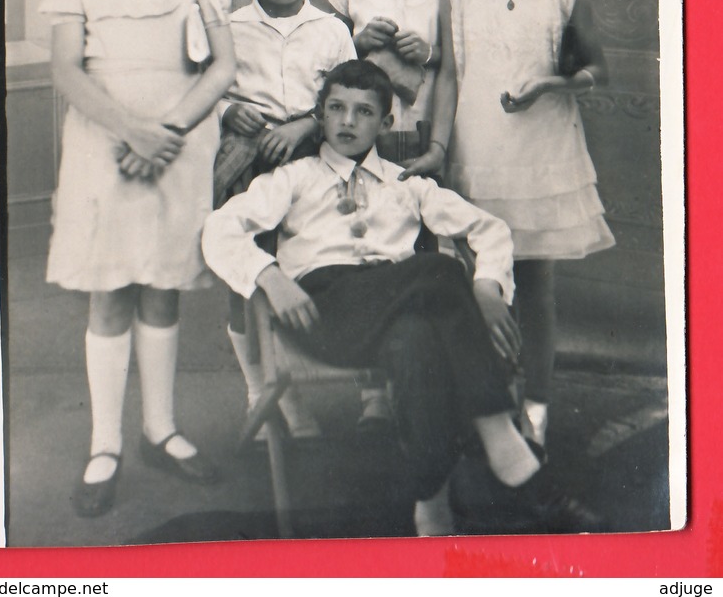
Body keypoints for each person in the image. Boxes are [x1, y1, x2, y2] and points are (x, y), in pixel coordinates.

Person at [202, 60, 603, 537]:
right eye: (336, 109)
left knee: (415, 339)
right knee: (437, 269)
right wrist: (268, 276)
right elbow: (219, 228)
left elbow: (489, 230)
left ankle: (430, 510)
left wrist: (487, 284)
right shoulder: (294, 178)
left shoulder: (406, 183)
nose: (348, 121)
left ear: (386, 123)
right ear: (321, 115)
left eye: (364, 112)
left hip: (398, 314)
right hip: (324, 313)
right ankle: (503, 442)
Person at [40, 0, 236, 518]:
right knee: (110, 292)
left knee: (161, 286)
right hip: (104, 148)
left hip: (179, 148)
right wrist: (132, 132)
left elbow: (222, 69)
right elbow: (68, 72)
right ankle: (105, 444)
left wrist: (168, 133)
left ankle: (161, 429)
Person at [445, 0, 615, 451]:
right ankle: (490, 408)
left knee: (535, 288)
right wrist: (443, 150)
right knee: (481, 286)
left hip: (542, 152)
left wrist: (552, 83)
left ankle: (536, 409)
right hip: (477, 147)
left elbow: (597, 69)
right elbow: (447, 76)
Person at [320, 0, 467, 426]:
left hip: (428, 133)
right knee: (367, 254)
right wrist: (355, 43)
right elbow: (323, 64)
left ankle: (431, 388)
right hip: (363, 145)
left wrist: (440, 143)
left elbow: (459, 68)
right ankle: (373, 392)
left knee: (429, 256)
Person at [213, 0, 356, 438]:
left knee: (309, 268)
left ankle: (331, 387)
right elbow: (203, 94)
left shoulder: (332, 31)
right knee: (248, 275)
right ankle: (266, 394)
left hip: (312, 162)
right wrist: (229, 112)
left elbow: (349, 99)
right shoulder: (228, 28)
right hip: (246, 165)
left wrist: (303, 127)